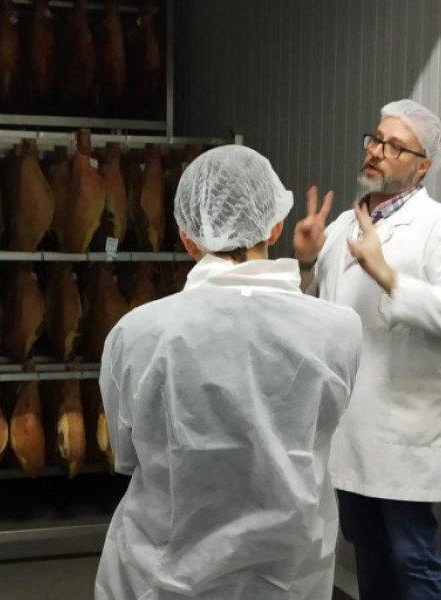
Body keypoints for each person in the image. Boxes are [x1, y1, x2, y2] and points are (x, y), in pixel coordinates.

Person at [94, 145, 363, 600]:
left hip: (162, 579)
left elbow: (126, 454)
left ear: (186, 237)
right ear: (276, 225)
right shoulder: (339, 329)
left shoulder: (137, 332)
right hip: (290, 579)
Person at [293, 98, 441, 599]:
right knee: (367, 558)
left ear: (423, 166)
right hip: (347, 432)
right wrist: (307, 263)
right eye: (375, 140)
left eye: (394, 147)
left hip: (403, 435)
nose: (376, 152)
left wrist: (387, 276)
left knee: (413, 562)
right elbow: (312, 317)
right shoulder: (341, 228)